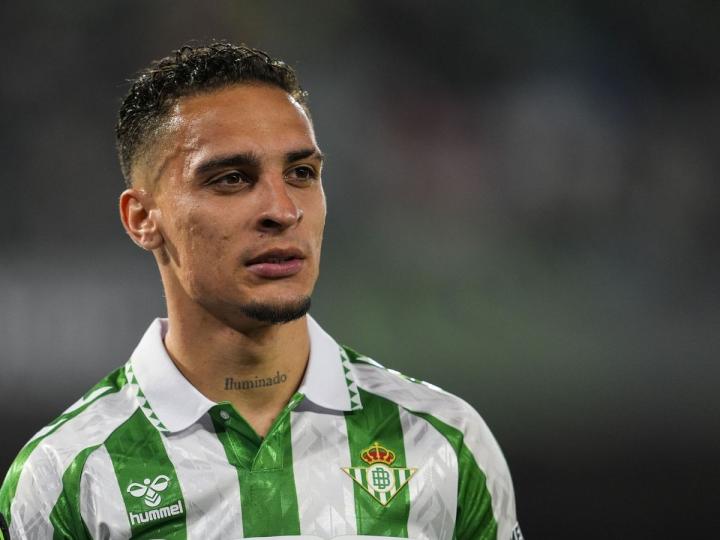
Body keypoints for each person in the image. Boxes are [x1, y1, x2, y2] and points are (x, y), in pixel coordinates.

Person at [0, 42, 523, 540]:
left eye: (301, 173)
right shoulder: (66, 475)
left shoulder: (443, 443)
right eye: (231, 178)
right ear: (142, 218)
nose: (283, 210)